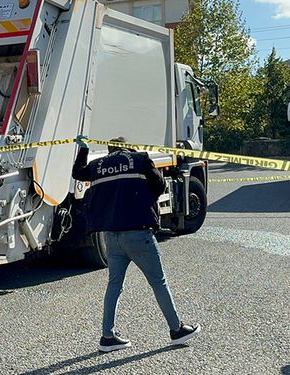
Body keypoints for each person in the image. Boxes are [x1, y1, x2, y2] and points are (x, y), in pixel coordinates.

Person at [71, 135, 200, 353]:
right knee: (158, 282)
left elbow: (77, 173)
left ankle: (107, 336)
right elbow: (159, 186)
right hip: (139, 234)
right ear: (128, 148)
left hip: (111, 236)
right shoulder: (140, 160)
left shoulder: (97, 165)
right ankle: (176, 330)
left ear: (110, 150)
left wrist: (82, 150)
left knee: (114, 286)